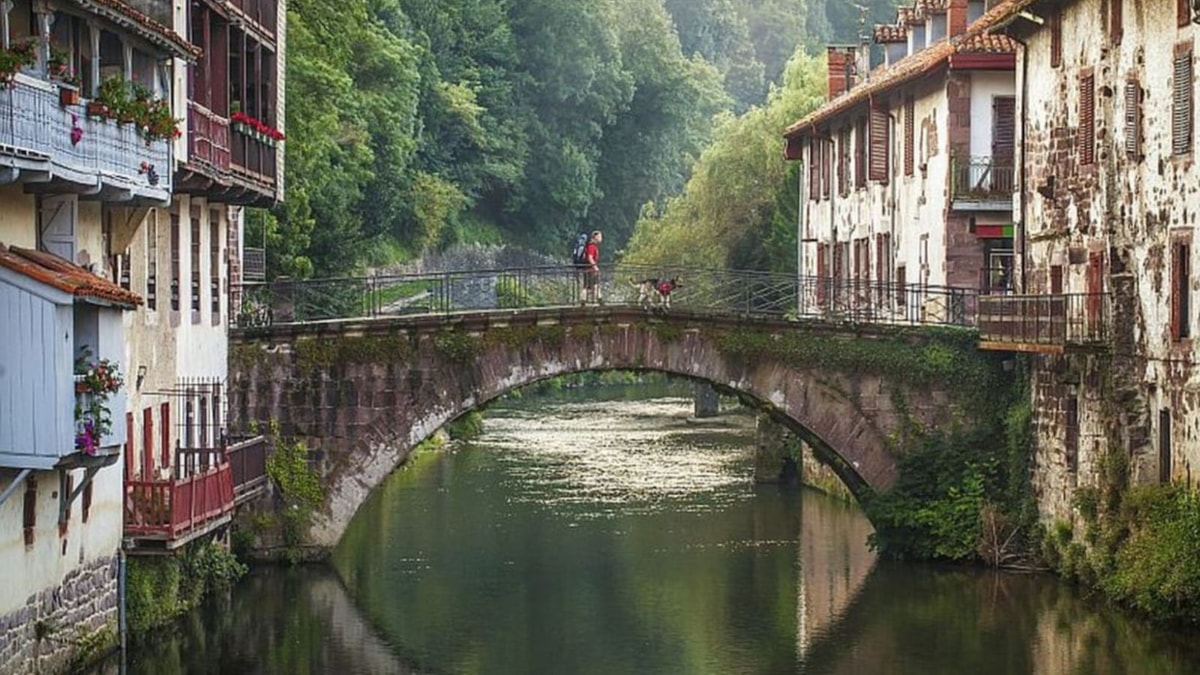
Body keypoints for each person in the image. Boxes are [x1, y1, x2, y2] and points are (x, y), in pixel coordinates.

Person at [581, 230, 603, 306]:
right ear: (595, 237)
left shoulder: (590, 245)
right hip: (590, 270)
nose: (601, 238)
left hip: (588, 269)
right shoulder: (592, 246)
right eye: (600, 236)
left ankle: (586, 301)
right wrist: (595, 267)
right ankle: (599, 301)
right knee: (591, 285)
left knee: (590, 286)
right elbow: (590, 257)